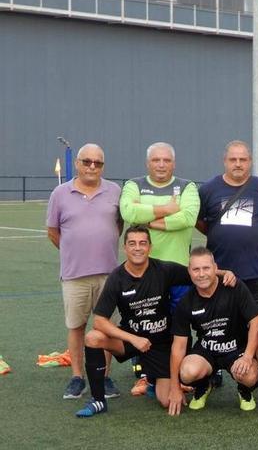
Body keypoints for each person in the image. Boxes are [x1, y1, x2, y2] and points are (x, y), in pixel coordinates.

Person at [73, 225, 236, 417]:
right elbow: (99, 321)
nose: (137, 248)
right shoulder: (117, 278)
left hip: (161, 344)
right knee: (93, 338)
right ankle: (99, 400)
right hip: (132, 340)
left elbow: (197, 273)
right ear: (124, 247)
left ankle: (154, 378)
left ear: (150, 247)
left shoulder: (164, 270)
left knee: (167, 400)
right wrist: (133, 339)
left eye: (143, 243)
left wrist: (224, 273)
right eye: (132, 243)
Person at [197, 140, 258, 388]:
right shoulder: (209, 189)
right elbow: (200, 221)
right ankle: (213, 369)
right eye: (233, 159)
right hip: (219, 271)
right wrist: (217, 235)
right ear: (225, 161)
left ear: (250, 161)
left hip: (254, 269)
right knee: (215, 321)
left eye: (243, 159)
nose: (238, 164)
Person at [119, 141, 199, 395]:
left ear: (174, 164)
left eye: (166, 160)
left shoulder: (187, 186)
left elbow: (187, 218)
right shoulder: (134, 185)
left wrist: (147, 222)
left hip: (178, 273)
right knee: (143, 324)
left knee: (177, 326)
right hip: (142, 272)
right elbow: (127, 212)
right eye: (156, 160)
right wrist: (166, 209)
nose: (161, 165)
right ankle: (145, 375)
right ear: (147, 163)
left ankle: (180, 374)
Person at [47, 143, 122, 400]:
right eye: (87, 161)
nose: (92, 166)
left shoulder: (115, 191)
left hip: (108, 275)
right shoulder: (60, 193)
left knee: (106, 329)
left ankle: (104, 376)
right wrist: (74, 251)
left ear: (103, 166)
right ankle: (77, 378)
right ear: (77, 163)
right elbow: (53, 232)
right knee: (77, 326)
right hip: (74, 275)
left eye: (98, 163)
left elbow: (118, 226)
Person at [167, 247, 258, 415]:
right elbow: (179, 346)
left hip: (236, 349)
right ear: (189, 271)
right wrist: (175, 388)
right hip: (207, 350)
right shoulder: (186, 302)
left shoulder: (234, 286)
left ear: (215, 268)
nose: (201, 274)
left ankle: (244, 390)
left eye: (206, 268)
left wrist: (247, 357)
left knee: (249, 376)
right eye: (196, 269)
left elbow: (256, 321)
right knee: (188, 372)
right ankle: (204, 385)